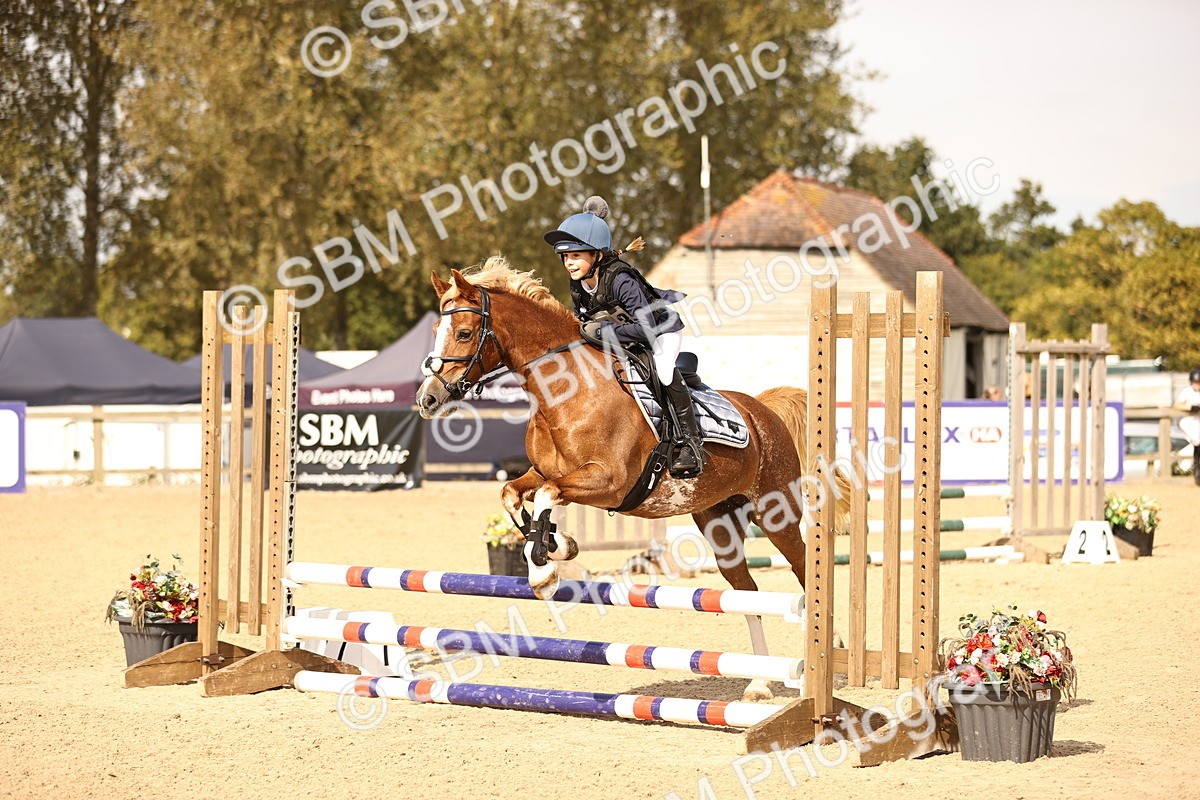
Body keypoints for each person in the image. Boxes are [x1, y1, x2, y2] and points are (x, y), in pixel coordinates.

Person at [543, 195, 704, 479]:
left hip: (661, 332)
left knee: (664, 372)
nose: (569, 263)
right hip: (624, 338)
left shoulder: (620, 280)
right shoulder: (578, 284)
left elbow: (645, 329)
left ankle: (690, 443)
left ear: (597, 256)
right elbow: (583, 320)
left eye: (576, 255)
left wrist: (603, 331)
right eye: (566, 257)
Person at [1176, 367, 1200, 450]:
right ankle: (1196, 461)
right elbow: (1177, 404)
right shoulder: (1187, 391)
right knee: (1196, 439)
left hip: (1198, 419)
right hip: (1188, 419)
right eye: (1195, 383)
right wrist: (1189, 407)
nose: (1197, 385)